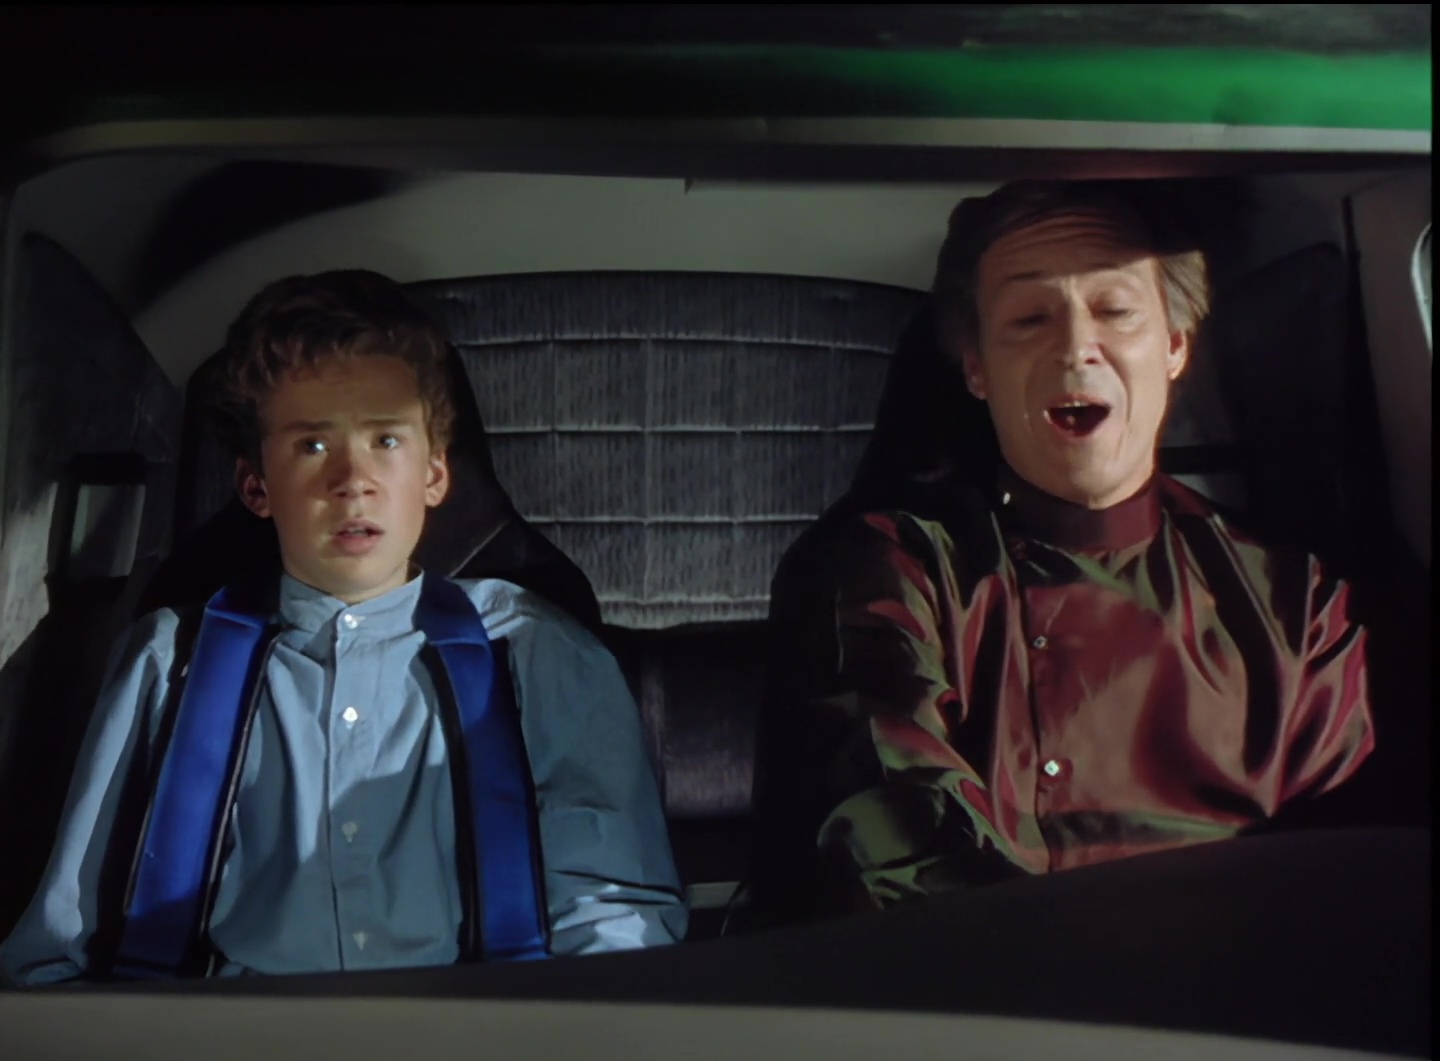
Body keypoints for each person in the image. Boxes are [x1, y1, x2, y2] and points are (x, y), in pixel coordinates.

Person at [1, 270, 686, 985]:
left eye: (385, 439)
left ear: (435, 474)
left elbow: (611, 919)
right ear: (256, 487)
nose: (353, 480)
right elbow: (60, 946)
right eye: (313, 447)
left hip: (482, 1028)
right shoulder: (167, 661)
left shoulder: (535, 651)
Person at [758, 181, 1376, 918]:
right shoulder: (884, 570)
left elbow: (1350, 867)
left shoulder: (1296, 601)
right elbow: (888, 844)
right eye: (1029, 318)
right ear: (977, 368)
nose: (1077, 347)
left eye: (1115, 310)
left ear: (1175, 346)